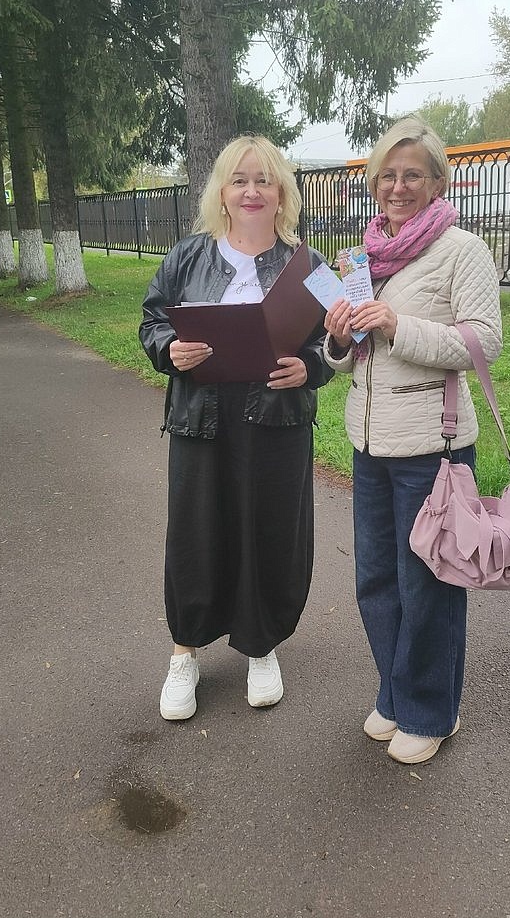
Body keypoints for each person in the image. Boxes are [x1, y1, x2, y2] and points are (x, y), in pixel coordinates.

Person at [323, 117, 503, 765]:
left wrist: (399, 325)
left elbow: (483, 343)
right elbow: (349, 355)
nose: (397, 187)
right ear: (374, 183)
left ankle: (431, 711)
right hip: (370, 442)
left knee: (428, 582)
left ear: (436, 182)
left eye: (412, 175)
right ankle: (397, 694)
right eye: (387, 176)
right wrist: (338, 336)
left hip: (434, 444)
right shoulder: (361, 257)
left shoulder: (462, 250)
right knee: (376, 580)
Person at [139, 135, 333, 721]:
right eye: (240, 180)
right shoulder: (187, 257)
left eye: (264, 180)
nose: (252, 191)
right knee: (195, 533)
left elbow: (341, 335)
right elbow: (152, 322)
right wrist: (170, 349)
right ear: (221, 192)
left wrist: (312, 366)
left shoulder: (309, 266)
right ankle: (184, 654)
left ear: (282, 193)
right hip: (201, 422)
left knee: (269, 531)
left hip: (276, 423)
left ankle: (260, 645)